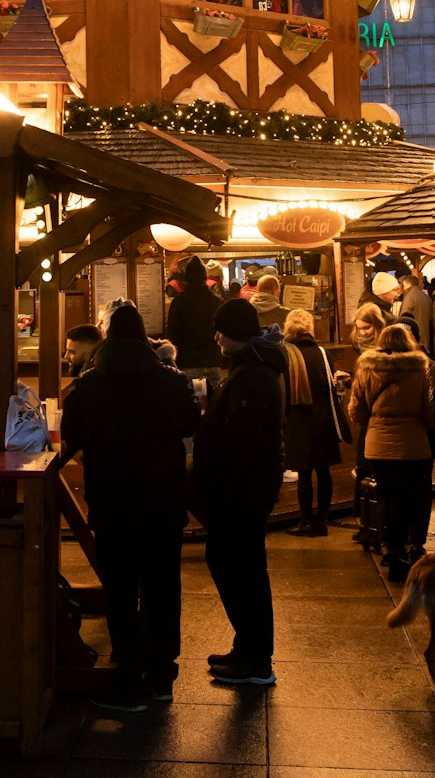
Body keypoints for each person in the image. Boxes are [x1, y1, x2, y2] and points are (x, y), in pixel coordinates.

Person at [61, 304, 200, 710]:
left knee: (121, 589)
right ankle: (160, 675)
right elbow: (192, 424)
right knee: (162, 586)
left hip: (112, 500)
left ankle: (127, 678)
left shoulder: (88, 385)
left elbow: (72, 435)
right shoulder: (169, 381)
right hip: (162, 500)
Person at [194, 297, 285, 687]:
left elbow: (241, 439)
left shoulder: (253, 374)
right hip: (246, 485)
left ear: (233, 332)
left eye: (220, 329)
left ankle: (255, 659)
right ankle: (247, 647)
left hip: (241, 488)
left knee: (237, 566)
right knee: (240, 565)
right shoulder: (253, 366)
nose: (215, 337)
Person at [347, 323, 434, 579]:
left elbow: (356, 410)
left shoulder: (366, 369)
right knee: (410, 499)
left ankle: (389, 549)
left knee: (387, 497)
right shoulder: (420, 369)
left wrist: (372, 422)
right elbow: (429, 411)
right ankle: (408, 549)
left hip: (378, 445)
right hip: (413, 446)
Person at [280, 309, 343, 538]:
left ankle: (305, 520)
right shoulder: (322, 352)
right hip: (324, 417)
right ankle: (322, 521)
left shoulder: (285, 352)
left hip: (298, 419)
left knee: (304, 474)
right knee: (324, 471)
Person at [165, 254, 225, 394]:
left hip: (188, 363)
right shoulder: (218, 301)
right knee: (213, 405)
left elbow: (172, 335)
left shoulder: (179, 302)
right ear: (205, 277)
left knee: (193, 407)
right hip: (212, 362)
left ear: (186, 278)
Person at [400, 275, 433, 350]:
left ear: (408, 284)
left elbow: (404, 318)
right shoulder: (426, 297)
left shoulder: (409, 297)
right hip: (425, 333)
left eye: (404, 285)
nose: (404, 288)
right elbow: (431, 316)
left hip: (413, 334)